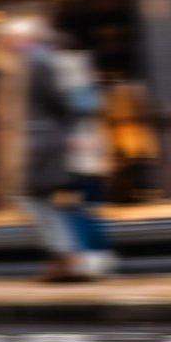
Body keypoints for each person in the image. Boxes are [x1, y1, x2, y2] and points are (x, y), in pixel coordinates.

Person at [2, 19, 87, 282]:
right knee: (39, 201)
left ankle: (66, 256)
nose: (5, 45)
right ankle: (64, 258)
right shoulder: (32, 61)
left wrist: (71, 132)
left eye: (9, 39)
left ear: (22, 38)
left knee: (28, 197)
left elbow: (58, 101)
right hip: (42, 142)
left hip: (41, 144)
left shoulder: (37, 61)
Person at [50, 36, 114, 279]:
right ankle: (98, 255)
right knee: (89, 210)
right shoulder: (90, 92)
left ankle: (87, 257)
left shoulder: (68, 94)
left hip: (73, 165)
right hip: (91, 164)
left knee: (72, 210)